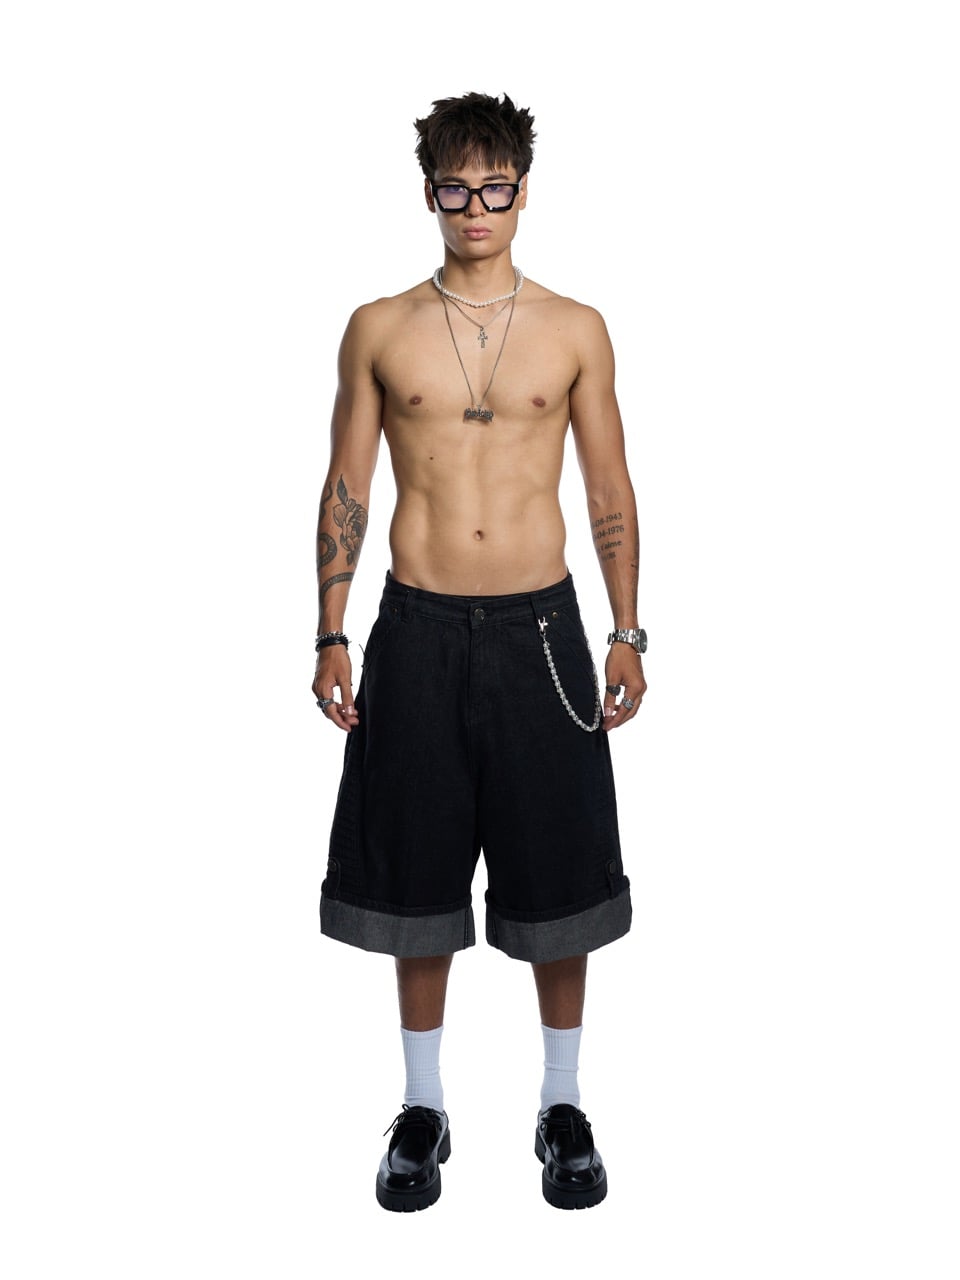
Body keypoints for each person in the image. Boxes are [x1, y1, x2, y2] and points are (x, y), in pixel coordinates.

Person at [313, 92, 646, 1212]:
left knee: (560, 874)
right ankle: (423, 1107)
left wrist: (627, 630)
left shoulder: (576, 327)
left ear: (522, 191)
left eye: (494, 187)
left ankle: (562, 1104)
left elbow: (608, 486)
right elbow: (348, 482)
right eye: (456, 187)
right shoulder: (379, 326)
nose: (475, 208)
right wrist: (330, 629)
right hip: (414, 627)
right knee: (415, 876)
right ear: (430, 193)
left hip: (542, 631)